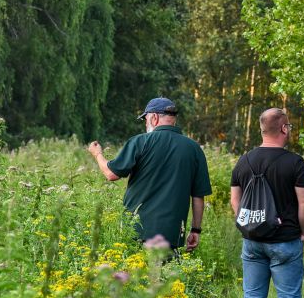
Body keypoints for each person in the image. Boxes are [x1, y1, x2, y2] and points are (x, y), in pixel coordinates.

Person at [230, 108, 304, 298]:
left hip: (252, 240)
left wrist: (249, 223)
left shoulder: (244, 160)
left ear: (261, 129)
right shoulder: (294, 162)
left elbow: (235, 200)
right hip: (285, 240)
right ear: (284, 128)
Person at [87, 97, 212, 254]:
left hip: (136, 231)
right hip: (171, 235)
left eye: (145, 119)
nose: (146, 124)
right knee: (164, 277)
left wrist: (97, 154)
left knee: (134, 275)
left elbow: (111, 174)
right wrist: (195, 230)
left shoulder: (140, 142)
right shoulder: (194, 149)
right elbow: (198, 196)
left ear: (154, 117)